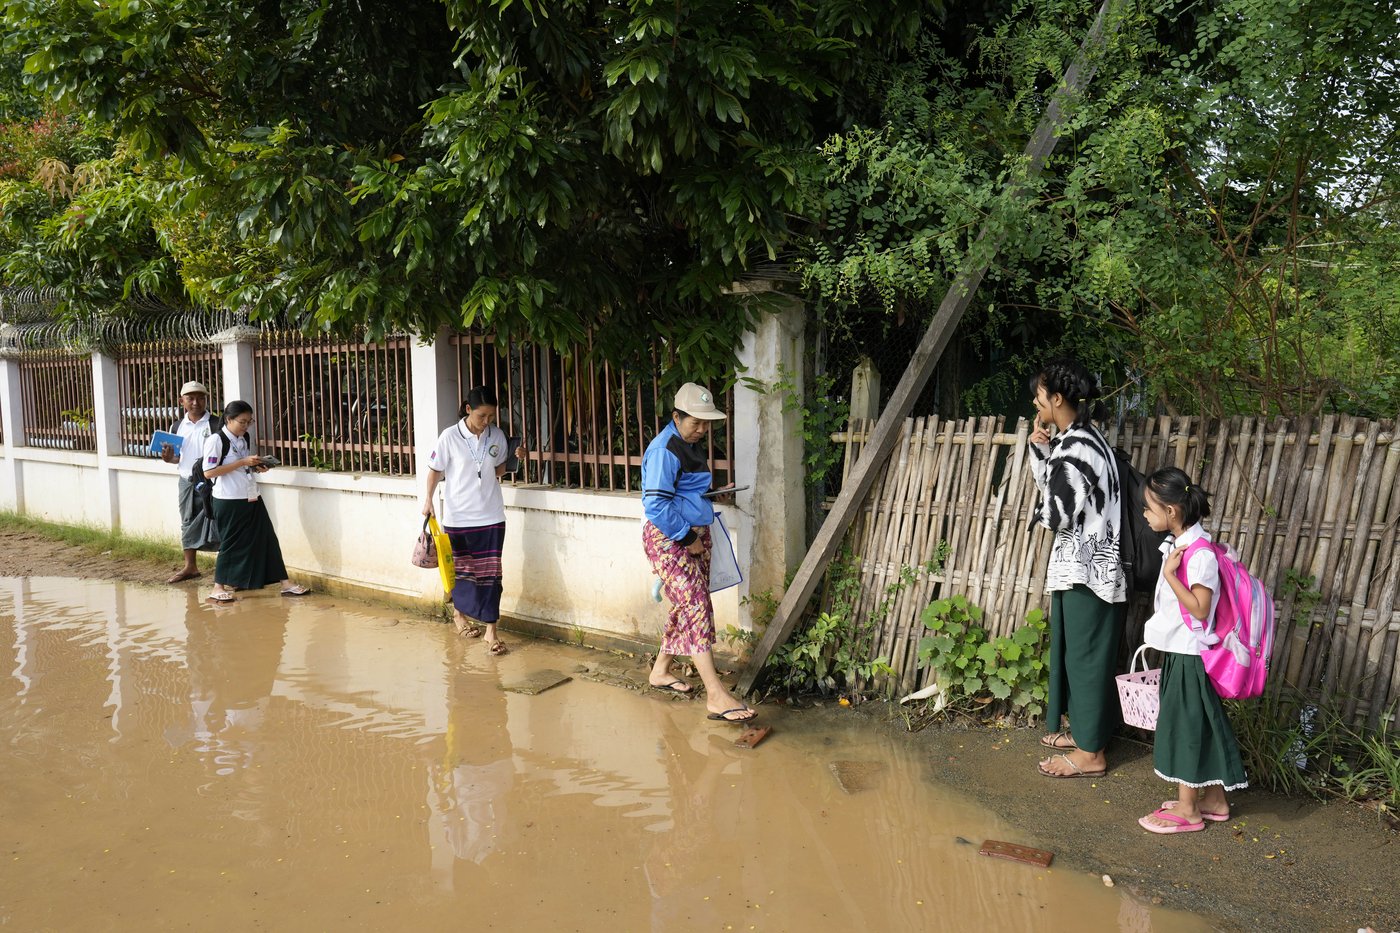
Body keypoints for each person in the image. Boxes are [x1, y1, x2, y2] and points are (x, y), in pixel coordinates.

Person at [1027, 357, 1126, 777]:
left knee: (1085, 659)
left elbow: (1057, 514)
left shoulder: (1078, 445)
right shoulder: (1084, 439)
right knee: (1081, 656)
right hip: (1087, 568)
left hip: (1089, 570)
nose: (1035, 401)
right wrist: (1043, 449)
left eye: (1039, 395)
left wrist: (1046, 457)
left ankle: (1091, 755)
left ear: (1057, 398)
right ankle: (1086, 735)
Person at [1137, 468, 1247, 833]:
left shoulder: (1199, 555)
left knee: (1184, 727)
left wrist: (1170, 576)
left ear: (1171, 511)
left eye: (1149, 508)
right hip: (1183, 651)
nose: (1144, 514)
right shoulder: (1184, 545)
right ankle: (1214, 799)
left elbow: (1200, 608)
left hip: (1191, 653)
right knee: (1200, 722)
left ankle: (1187, 809)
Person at [641, 382, 756, 724]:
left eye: (707, 422)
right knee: (696, 605)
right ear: (676, 416)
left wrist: (705, 499)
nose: (703, 429)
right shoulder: (665, 450)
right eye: (696, 422)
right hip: (671, 538)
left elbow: (682, 492)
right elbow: (655, 504)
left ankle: (661, 670)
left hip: (693, 535)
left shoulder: (688, 443)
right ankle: (716, 694)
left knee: (686, 605)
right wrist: (688, 535)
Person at [422, 386, 524, 655]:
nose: (486, 422)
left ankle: (491, 632)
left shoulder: (497, 435)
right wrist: (428, 500)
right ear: (468, 409)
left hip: (491, 516)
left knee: (492, 575)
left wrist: (516, 459)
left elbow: (498, 470)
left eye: (491, 416)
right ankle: (459, 616)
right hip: (458, 518)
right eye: (482, 416)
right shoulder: (449, 437)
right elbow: (434, 471)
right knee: (465, 574)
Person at [202, 400, 310, 603]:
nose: (245, 426)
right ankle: (218, 587)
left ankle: (285, 583)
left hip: (251, 495)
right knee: (230, 543)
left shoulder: (244, 438)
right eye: (241, 422)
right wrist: (242, 462)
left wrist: (255, 466)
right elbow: (208, 472)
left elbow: (239, 467)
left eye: (248, 422)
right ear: (228, 419)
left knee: (267, 537)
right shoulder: (216, 440)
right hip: (228, 499)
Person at [159, 381, 220, 583]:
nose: (196, 402)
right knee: (187, 521)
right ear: (181, 401)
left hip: (213, 481)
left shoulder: (216, 424)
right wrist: (169, 459)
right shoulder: (176, 426)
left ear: (206, 399)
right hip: (186, 481)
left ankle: (224, 569)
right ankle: (190, 567)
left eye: (200, 398)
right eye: (190, 398)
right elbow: (178, 457)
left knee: (218, 521)